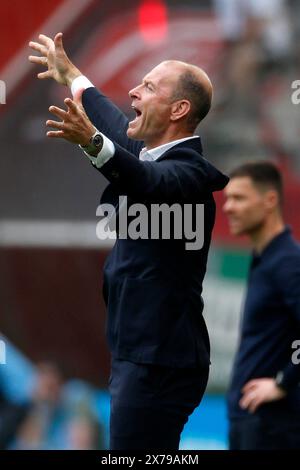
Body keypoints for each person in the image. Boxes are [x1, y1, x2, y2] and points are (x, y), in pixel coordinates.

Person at [28, 32, 229, 450]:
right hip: (143, 356)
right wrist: (73, 76)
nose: (134, 90)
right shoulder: (150, 152)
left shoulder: (189, 175)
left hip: (159, 364)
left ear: (179, 109)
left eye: (149, 87)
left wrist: (92, 144)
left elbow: (146, 181)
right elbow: (111, 123)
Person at [223, 161, 300, 450]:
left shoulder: (288, 263)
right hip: (252, 424)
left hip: (272, 428)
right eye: (228, 198)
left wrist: (282, 382)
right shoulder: (266, 260)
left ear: (270, 201)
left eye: (239, 198)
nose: (228, 207)